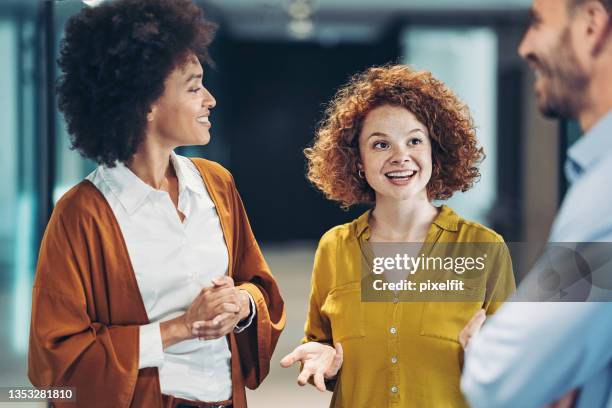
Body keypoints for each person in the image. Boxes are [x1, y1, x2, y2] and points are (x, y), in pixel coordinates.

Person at [27, 0, 285, 407]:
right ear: (145, 103)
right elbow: (56, 361)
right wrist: (182, 327)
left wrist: (241, 303)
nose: (210, 100)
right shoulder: (81, 215)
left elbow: (260, 289)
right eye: (194, 86)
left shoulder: (216, 185)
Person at [280, 65, 515, 407]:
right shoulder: (334, 247)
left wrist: (489, 357)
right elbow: (321, 343)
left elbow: (514, 366)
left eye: (415, 140)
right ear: (357, 159)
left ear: (436, 150)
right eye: (380, 144)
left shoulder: (484, 248)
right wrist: (324, 363)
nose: (400, 156)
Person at [460, 0, 612, 407]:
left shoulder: (606, 197)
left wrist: (482, 343)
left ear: (592, 25)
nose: (525, 46)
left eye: (539, 23)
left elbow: (498, 381)